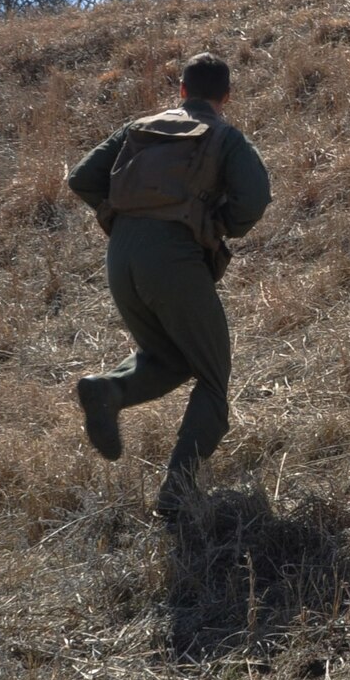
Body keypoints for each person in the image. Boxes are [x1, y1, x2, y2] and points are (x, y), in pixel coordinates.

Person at [68, 52, 271, 516]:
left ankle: (109, 390)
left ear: (181, 90)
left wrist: (118, 216)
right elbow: (254, 199)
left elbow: (82, 177)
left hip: (120, 257)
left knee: (169, 358)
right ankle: (176, 494)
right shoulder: (225, 135)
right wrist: (214, 225)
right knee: (214, 380)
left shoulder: (138, 128)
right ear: (226, 97)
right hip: (173, 259)